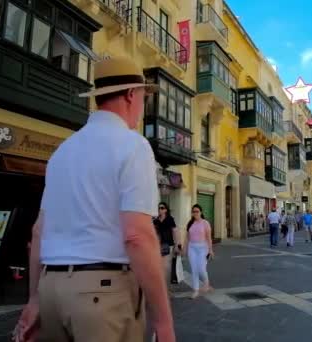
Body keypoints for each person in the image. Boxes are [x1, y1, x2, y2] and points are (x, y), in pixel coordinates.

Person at [14, 56, 175, 342]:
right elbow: (137, 236)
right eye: (142, 97)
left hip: (51, 289)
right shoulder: (133, 145)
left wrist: (35, 299)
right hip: (103, 295)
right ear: (130, 94)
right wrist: (163, 320)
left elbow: (39, 231)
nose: (142, 106)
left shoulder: (62, 152)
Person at [183, 204, 214, 299]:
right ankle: (195, 290)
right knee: (194, 270)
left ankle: (206, 283)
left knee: (201, 268)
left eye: (197, 211)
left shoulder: (205, 223)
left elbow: (209, 238)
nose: (195, 213)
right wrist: (185, 248)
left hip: (202, 248)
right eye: (193, 211)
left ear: (201, 212)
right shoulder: (190, 223)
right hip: (192, 248)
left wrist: (210, 250)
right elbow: (187, 238)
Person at [153, 202, 181, 287]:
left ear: (166, 210)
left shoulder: (170, 219)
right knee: (159, 267)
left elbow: (175, 232)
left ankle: (167, 288)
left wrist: (177, 245)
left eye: (162, 208)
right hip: (158, 246)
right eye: (159, 208)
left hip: (168, 245)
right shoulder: (156, 220)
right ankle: (161, 287)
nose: (160, 210)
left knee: (166, 267)